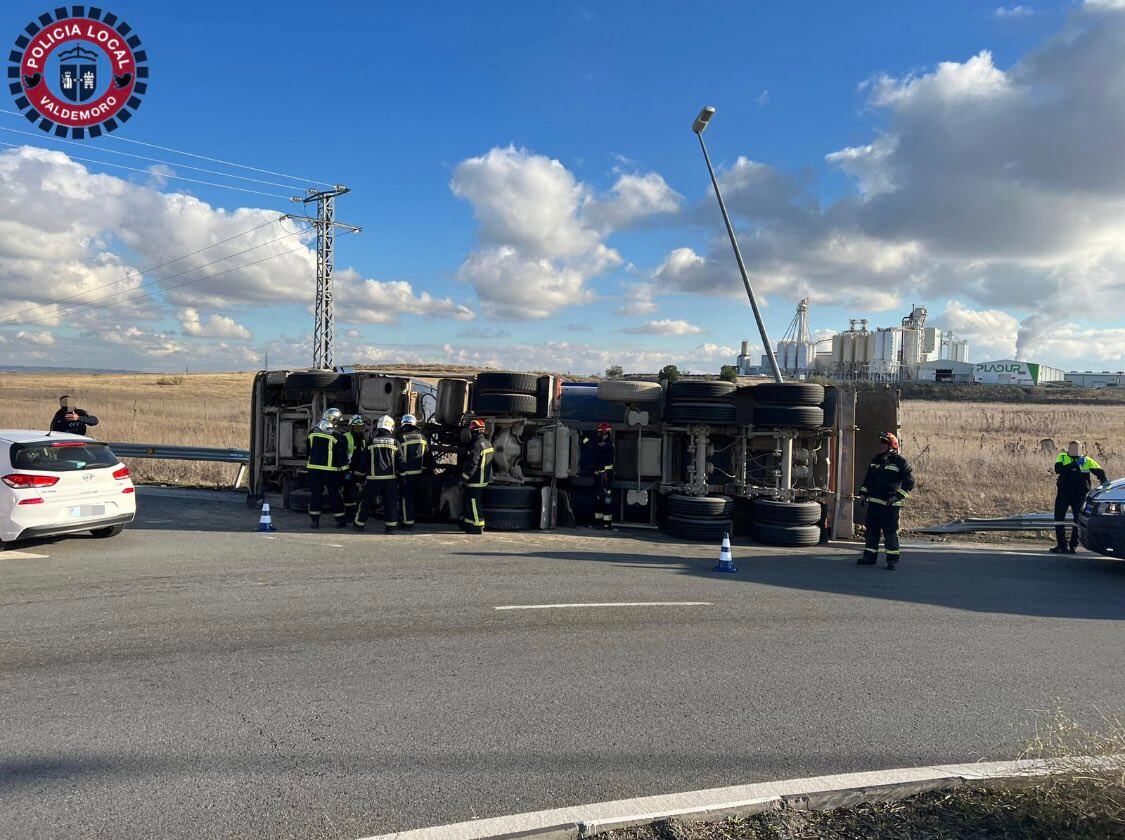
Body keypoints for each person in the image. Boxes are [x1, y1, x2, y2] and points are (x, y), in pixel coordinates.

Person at [857, 431, 915, 570]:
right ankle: (869, 557)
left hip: (890, 506)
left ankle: (892, 560)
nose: (881, 446)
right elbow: (868, 479)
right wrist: (863, 494)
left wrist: (897, 497)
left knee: (890, 533)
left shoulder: (901, 462)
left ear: (892, 445)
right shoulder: (876, 460)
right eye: (881, 443)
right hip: (874, 504)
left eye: (884, 443)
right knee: (871, 531)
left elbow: (910, 482)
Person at [1051, 440, 1107, 554]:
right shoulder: (1062, 457)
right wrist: (1074, 465)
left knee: (1077, 520)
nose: (1075, 451)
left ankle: (1073, 546)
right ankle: (1061, 546)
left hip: (1080, 494)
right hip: (1064, 493)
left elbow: (1100, 472)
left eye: (1078, 448)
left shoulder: (1086, 460)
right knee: (1059, 519)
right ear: (1069, 448)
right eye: (1073, 448)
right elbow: (1058, 469)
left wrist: (1105, 482)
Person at [353, 415, 400, 534]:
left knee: (366, 502)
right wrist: (402, 476)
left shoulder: (371, 442)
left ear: (378, 427)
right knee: (390, 503)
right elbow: (401, 461)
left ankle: (359, 525)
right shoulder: (395, 442)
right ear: (391, 427)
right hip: (390, 479)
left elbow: (363, 462)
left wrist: (359, 476)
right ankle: (390, 528)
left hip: (373, 479)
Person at [305, 409, 349, 529]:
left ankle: (314, 521)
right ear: (333, 421)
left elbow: (308, 451)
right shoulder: (338, 436)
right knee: (335, 495)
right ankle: (340, 520)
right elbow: (342, 457)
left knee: (315, 495)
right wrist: (346, 472)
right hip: (330, 471)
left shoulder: (312, 433)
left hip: (313, 469)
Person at [461, 418, 494, 535]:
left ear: (474, 432)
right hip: (483, 479)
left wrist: (464, 478)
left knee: (473, 503)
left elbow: (472, 465)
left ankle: (477, 525)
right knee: (475, 501)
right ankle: (470, 524)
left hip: (475, 480)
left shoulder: (476, 445)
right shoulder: (487, 443)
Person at [397, 413, 427, 532]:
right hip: (419, 474)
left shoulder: (402, 438)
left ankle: (407, 522)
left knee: (406, 498)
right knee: (414, 497)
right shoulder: (422, 437)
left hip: (406, 474)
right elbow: (427, 456)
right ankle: (412, 518)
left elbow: (399, 458)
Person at [583, 422, 615, 529]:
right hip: (599, 475)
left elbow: (593, 447)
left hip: (604, 476)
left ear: (605, 432)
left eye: (599, 432)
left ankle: (607, 522)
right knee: (598, 498)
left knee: (606, 498)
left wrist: (583, 437)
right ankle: (598, 521)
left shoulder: (606, 444)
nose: (598, 434)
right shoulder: (603, 443)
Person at [340, 415, 366, 521]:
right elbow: (342, 455)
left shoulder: (362, 438)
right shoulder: (346, 436)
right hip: (348, 469)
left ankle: (354, 513)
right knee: (348, 492)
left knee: (356, 493)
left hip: (359, 470)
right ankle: (348, 514)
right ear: (351, 427)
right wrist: (345, 470)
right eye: (356, 427)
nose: (358, 429)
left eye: (360, 426)